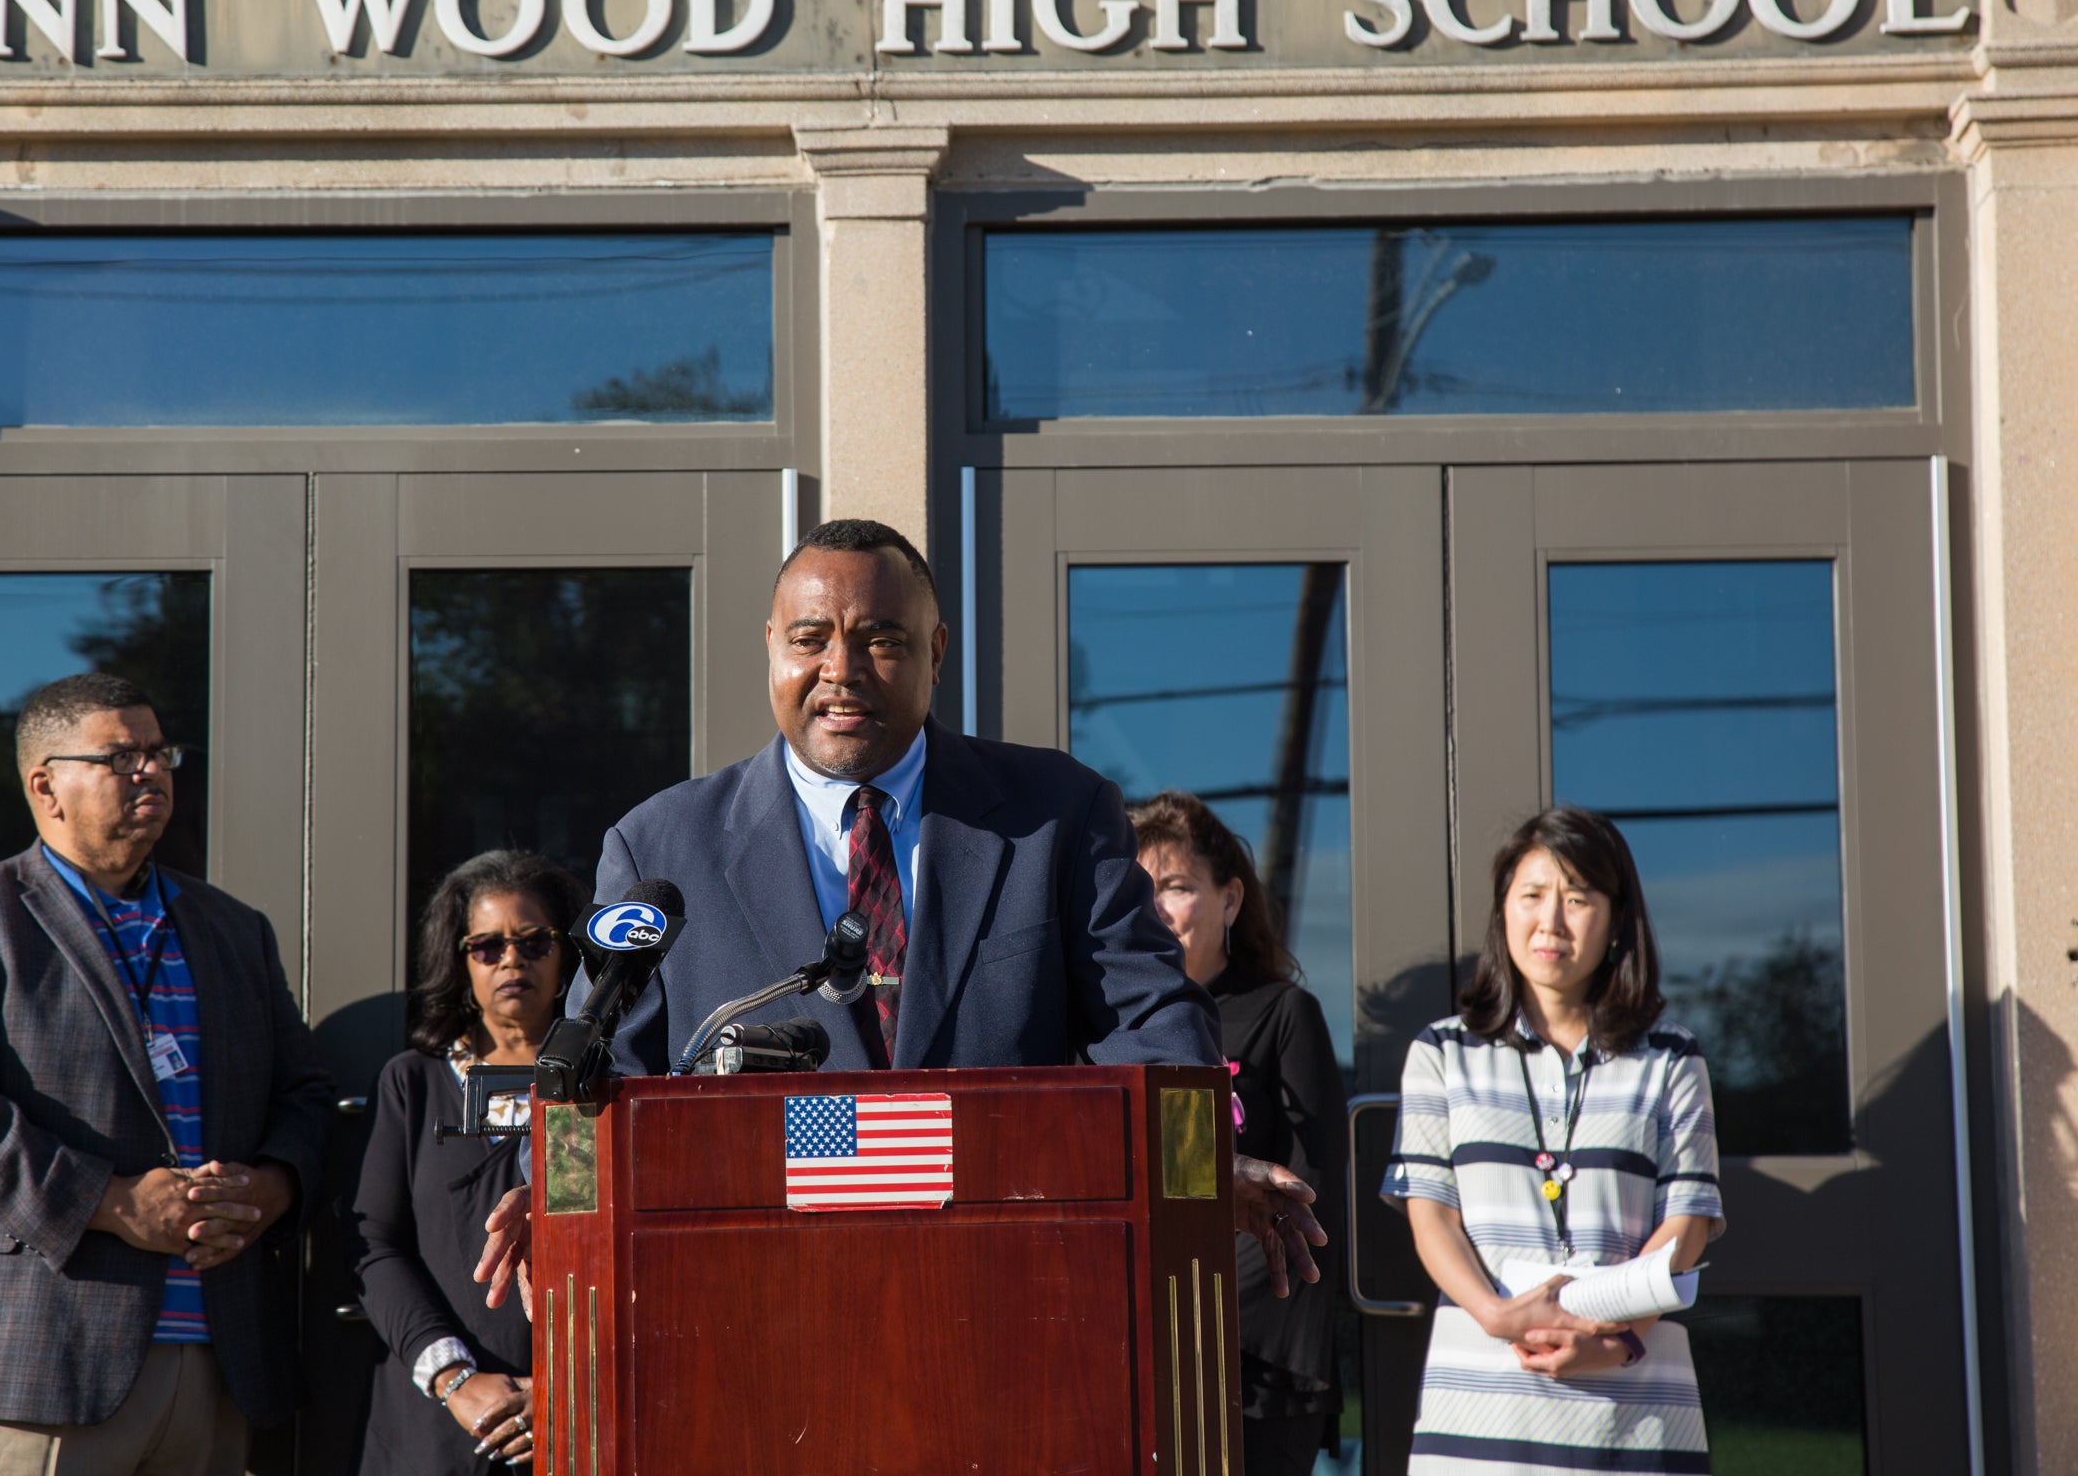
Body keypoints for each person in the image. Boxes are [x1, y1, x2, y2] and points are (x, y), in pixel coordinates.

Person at [476, 519, 1326, 1310]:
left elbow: (1151, 1021)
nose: (840, 669)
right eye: (809, 639)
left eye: (880, 640)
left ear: (936, 651)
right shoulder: (663, 844)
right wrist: (553, 1183)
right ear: (771, 649)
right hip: (754, 1304)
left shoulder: (1054, 813)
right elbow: (600, 1055)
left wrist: (1194, 1161)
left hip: (1006, 1294)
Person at [0, 672, 333, 1476]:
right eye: (123, 756)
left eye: (161, 753)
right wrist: (113, 1203)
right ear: (46, 785)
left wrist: (269, 1190)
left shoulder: (232, 930)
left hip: (214, 1364)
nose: (152, 771)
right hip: (25, 1366)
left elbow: (307, 1096)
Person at [1382, 805, 1723, 1475]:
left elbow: (1687, 1223)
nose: (1552, 922)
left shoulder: (1671, 1056)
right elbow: (1432, 1217)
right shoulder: (1443, 1052)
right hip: (1481, 1396)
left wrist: (1620, 1339)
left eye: (1578, 899)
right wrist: (1495, 1315)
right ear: (1503, 909)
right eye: (1532, 895)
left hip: (1636, 1403)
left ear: (1617, 919)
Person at [347, 851, 585, 1474]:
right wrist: (457, 1380)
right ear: (460, 962)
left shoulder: (608, 1089)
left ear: (567, 958)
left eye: (535, 942)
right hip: (436, 1431)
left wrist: (563, 1391)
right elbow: (372, 1244)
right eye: (488, 946)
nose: (513, 959)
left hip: (582, 1420)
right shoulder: (412, 1085)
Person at [1131, 790, 1348, 1476]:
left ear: (1229, 900)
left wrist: (1186, 1297)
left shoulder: (1283, 1012)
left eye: (1177, 887)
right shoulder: (1107, 1030)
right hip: (1137, 1350)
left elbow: (1310, 1192)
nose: (1158, 908)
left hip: (1261, 1360)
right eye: (1141, 891)